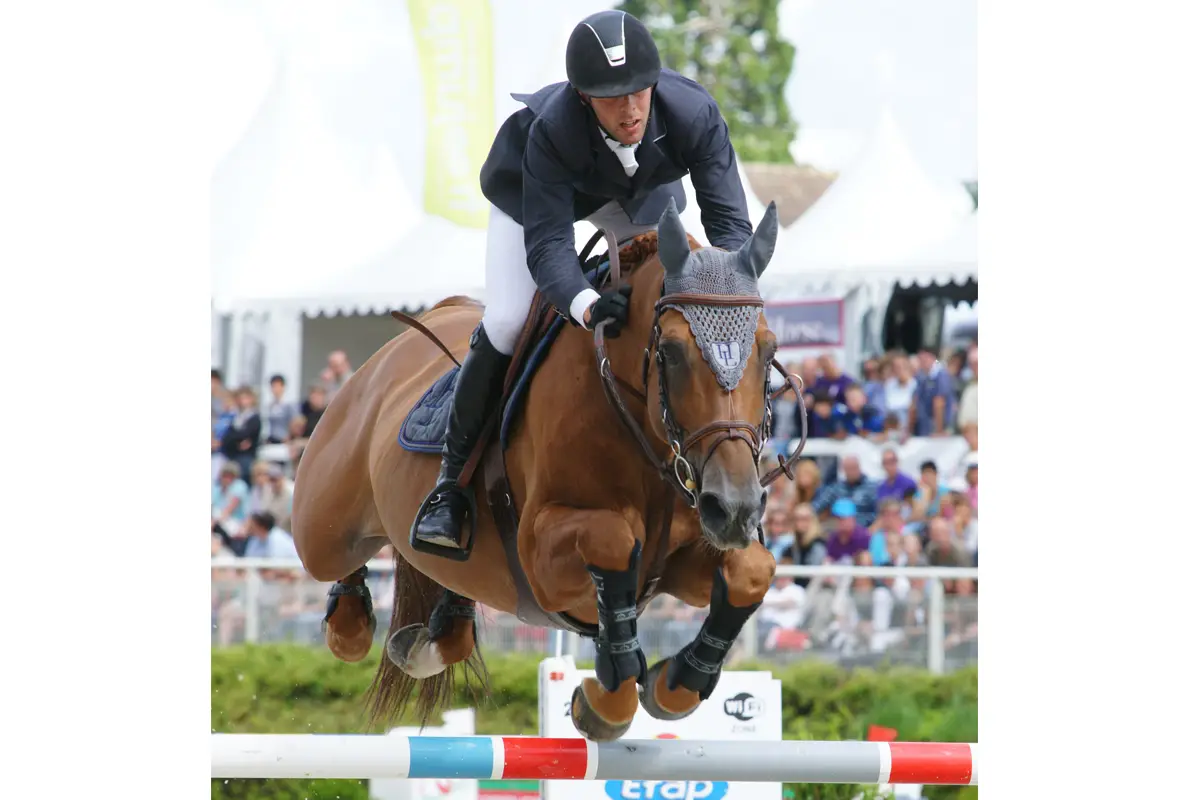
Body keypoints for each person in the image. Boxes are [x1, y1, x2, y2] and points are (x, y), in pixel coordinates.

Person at [413, 9, 756, 553]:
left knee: (676, 310)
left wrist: (728, 299)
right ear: (581, 97)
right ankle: (449, 488)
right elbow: (550, 245)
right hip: (532, 197)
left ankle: (705, 471)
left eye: (639, 92)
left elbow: (730, 225)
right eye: (612, 97)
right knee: (504, 321)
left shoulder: (693, 112)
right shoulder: (552, 130)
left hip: (638, 196)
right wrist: (586, 304)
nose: (630, 110)